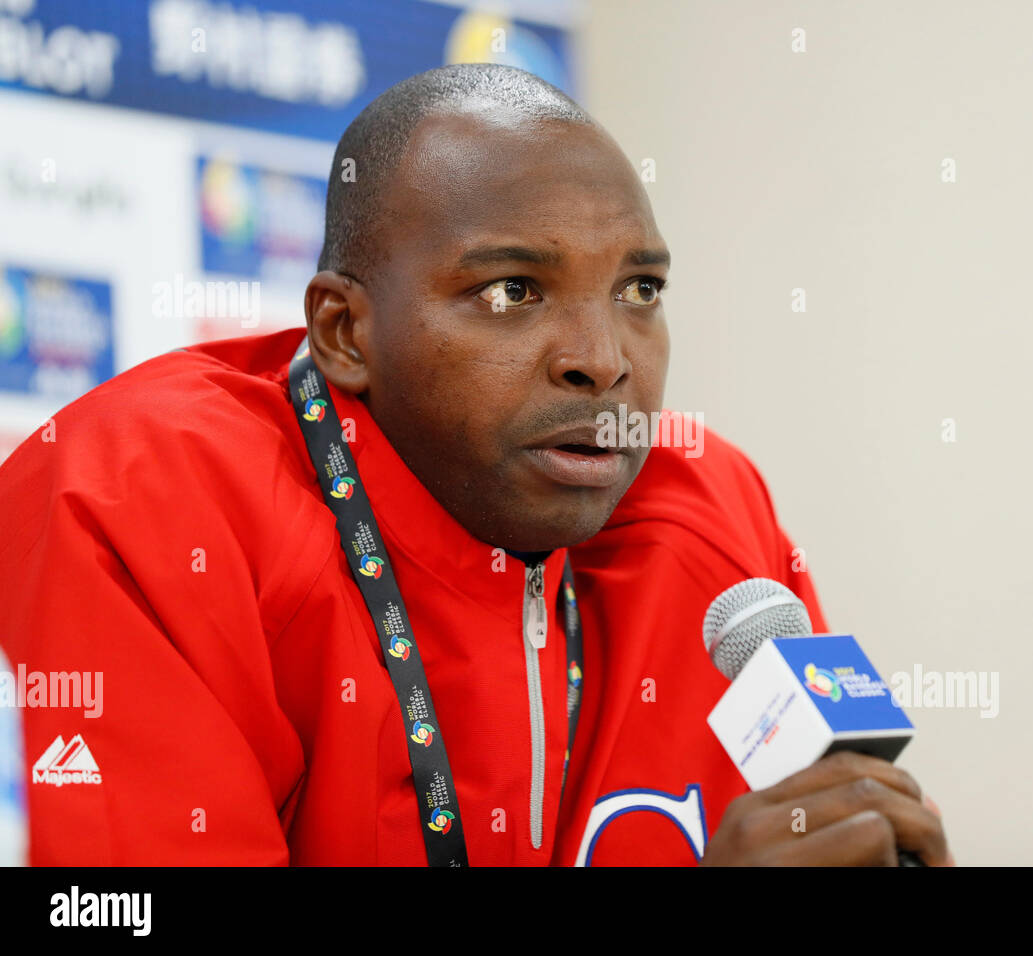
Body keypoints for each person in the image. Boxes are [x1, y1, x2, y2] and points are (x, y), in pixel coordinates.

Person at [0, 63, 950, 866]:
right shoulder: (140, 497)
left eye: (639, 289)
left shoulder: (712, 514)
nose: (604, 357)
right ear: (345, 330)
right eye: (512, 289)